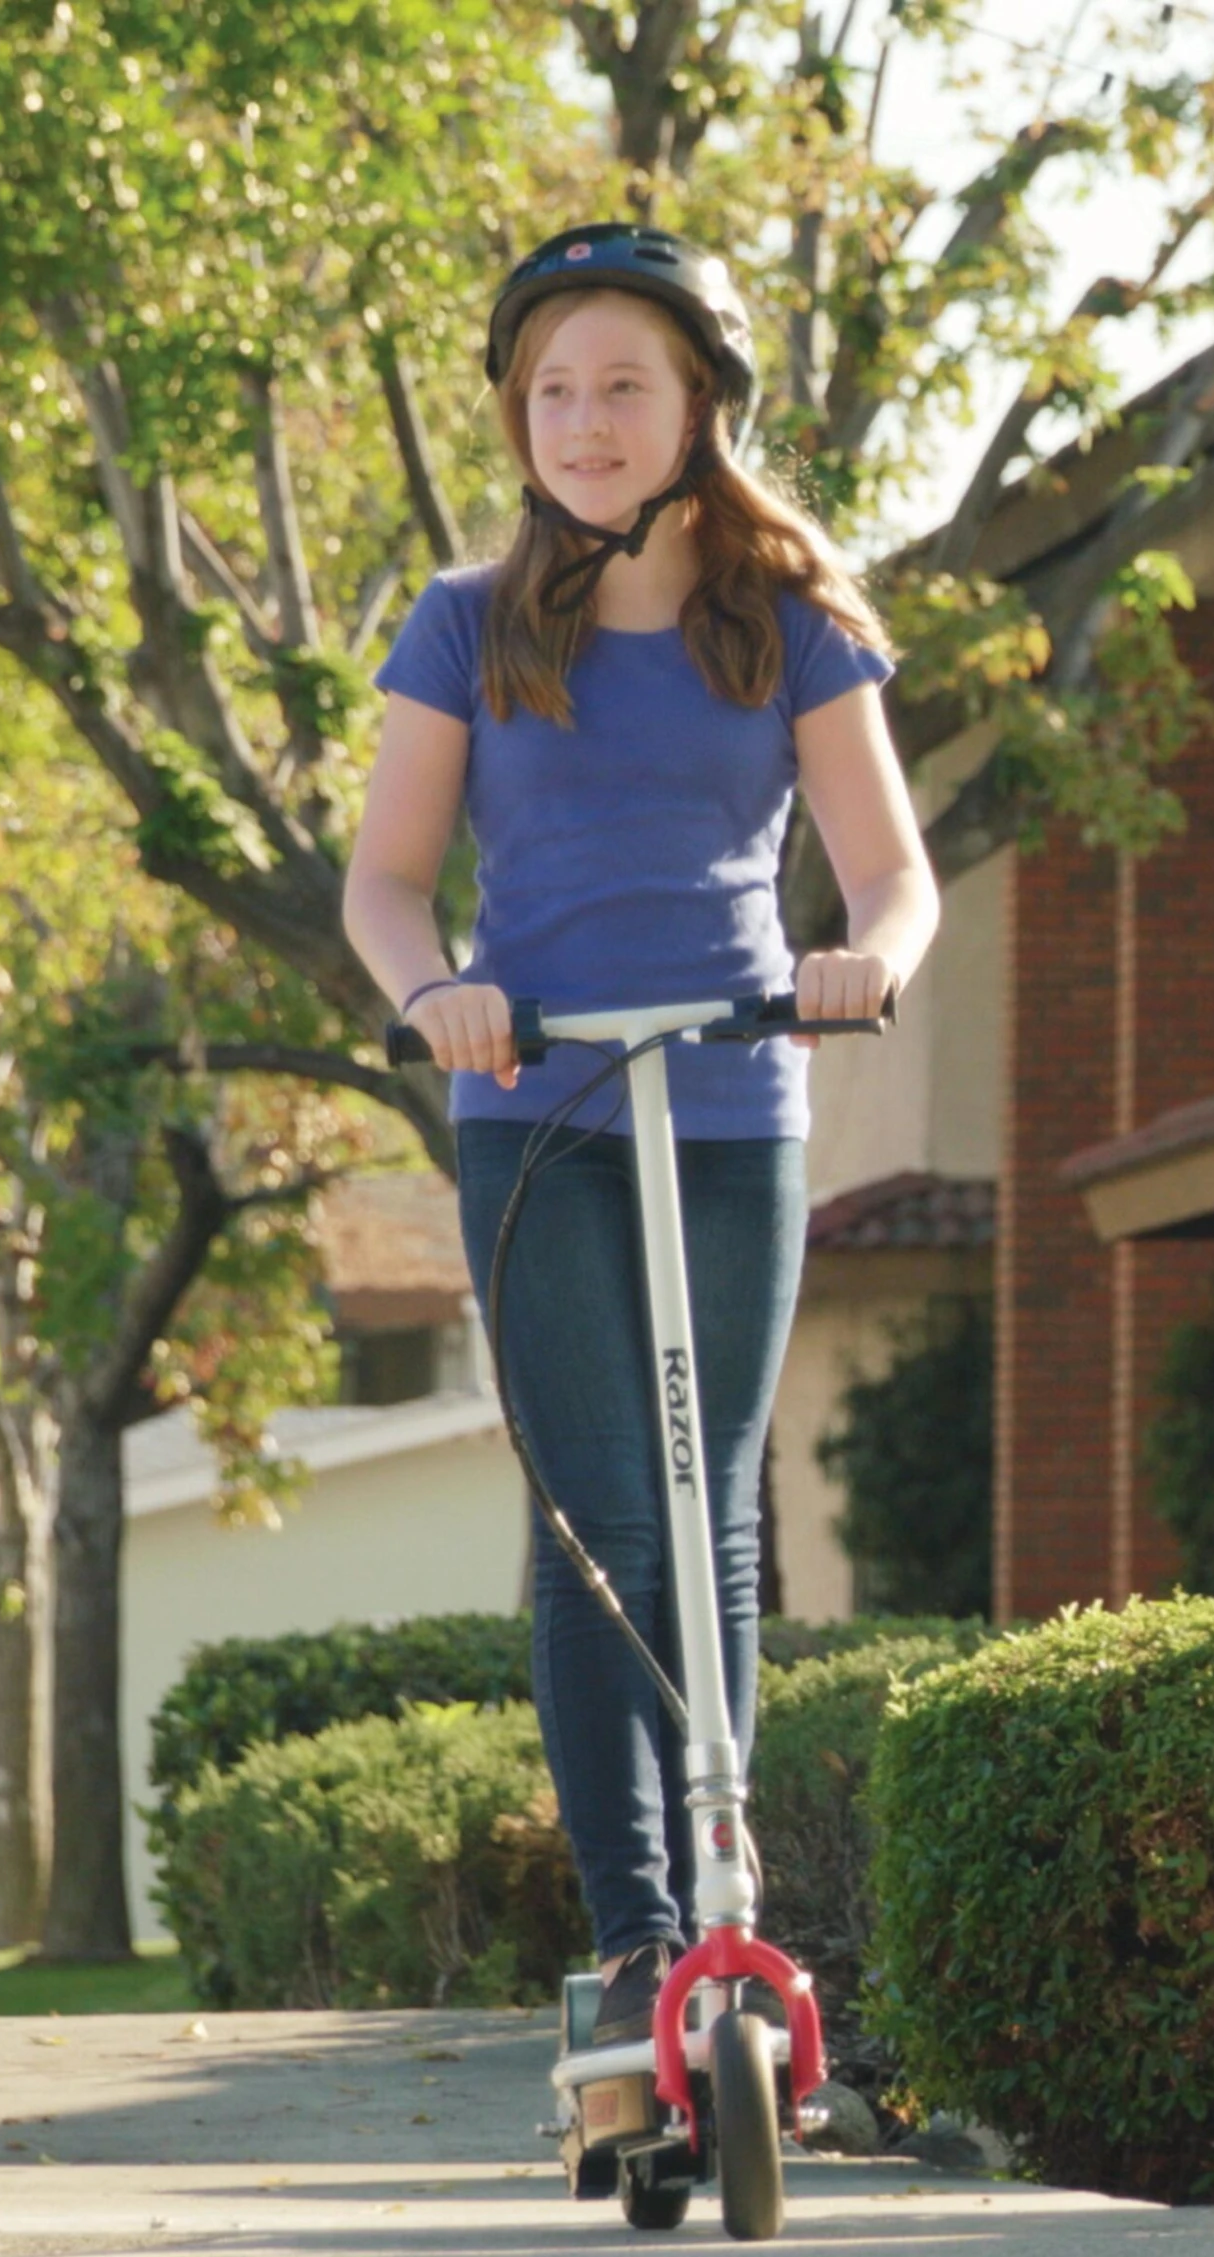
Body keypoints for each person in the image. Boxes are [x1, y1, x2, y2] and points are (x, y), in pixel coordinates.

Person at [343, 224, 940, 2046]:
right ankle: (633, 1947)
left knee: (713, 1515)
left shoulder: (795, 622)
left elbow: (895, 874)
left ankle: (728, 1920)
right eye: (554, 391)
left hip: (735, 1099)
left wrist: (866, 959)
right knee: (599, 1514)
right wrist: (437, 990)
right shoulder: (467, 623)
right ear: (519, 419)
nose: (586, 421)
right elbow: (384, 882)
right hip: (536, 1108)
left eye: (623, 385)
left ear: (701, 407)